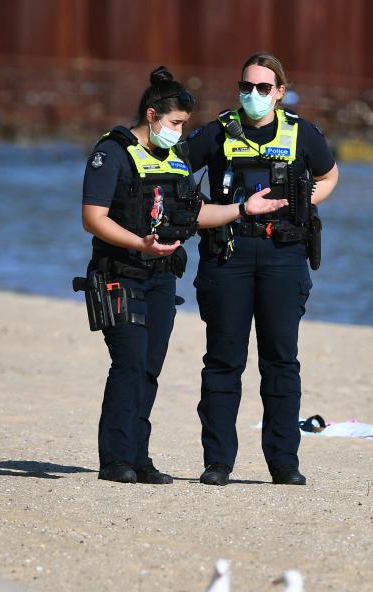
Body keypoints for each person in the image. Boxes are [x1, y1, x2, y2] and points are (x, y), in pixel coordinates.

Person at [81, 67, 287, 484]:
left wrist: (245, 209)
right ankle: (115, 459)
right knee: (129, 363)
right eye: (175, 123)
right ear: (153, 114)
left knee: (150, 368)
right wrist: (140, 244)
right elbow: (92, 218)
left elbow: (197, 214)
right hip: (119, 273)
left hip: (161, 277)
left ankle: (139, 457)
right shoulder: (112, 153)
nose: (179, 131)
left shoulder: (174, 161)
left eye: (184, 125)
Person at [184, 52, 339, 486]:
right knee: (222, 363)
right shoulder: (216, 133)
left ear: (280, 92)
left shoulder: (301, 133)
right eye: (246, 87)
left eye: (263, 88)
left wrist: (305, 202)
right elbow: (174, 171)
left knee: (281, 363)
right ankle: (218, 462)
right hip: (228, 256)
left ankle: (284, 463)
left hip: (283, 256)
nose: (253, 95)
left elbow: (329, 176)